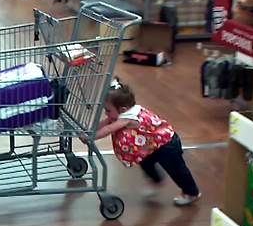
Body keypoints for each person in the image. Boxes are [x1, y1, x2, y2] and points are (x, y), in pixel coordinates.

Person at [82, 78, 201, 206]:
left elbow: (109, 129)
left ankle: (191, 192)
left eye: (108, 110)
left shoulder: (128, 118)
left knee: (177, 170)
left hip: (167, 144)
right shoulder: (122, 113)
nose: (106, 113)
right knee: (145, 162)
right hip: (150, 145)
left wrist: (91, 137)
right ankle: (156, 180)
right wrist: (90, 131)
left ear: (122, 110)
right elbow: (105, 123)